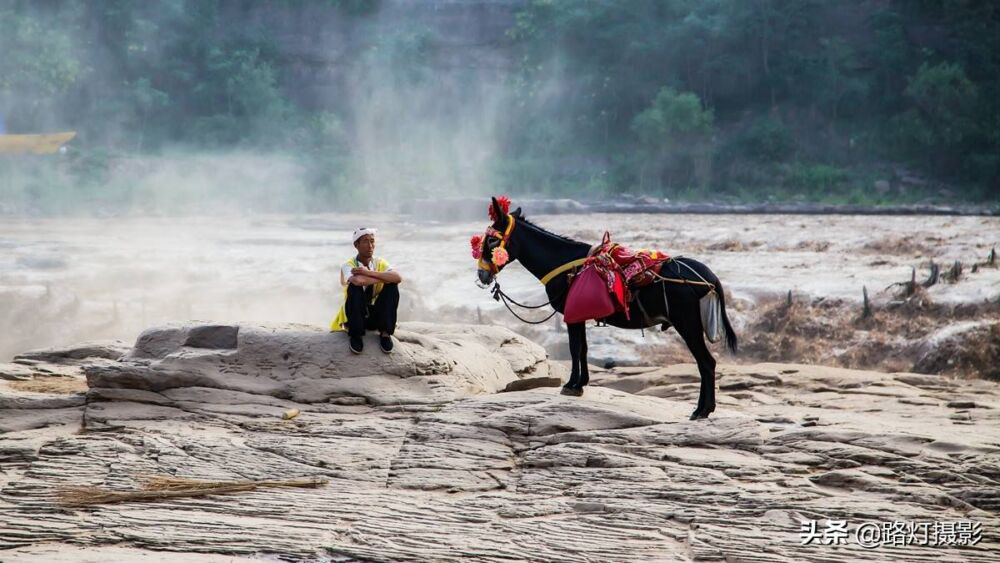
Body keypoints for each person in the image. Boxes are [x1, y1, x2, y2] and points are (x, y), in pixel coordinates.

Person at [330, 227, 403, 354]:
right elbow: (358, 281)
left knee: (392, 286)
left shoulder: (379, 262)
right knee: (354, 287)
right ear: (356, 245)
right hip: (354, 316)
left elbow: (398, 277)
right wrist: (382, 278)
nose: (370, 246)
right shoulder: (348, 265)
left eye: (372, 241)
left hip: (373, 315)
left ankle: (385, 333)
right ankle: (356, 335)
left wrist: (368, 273)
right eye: (365, 241)